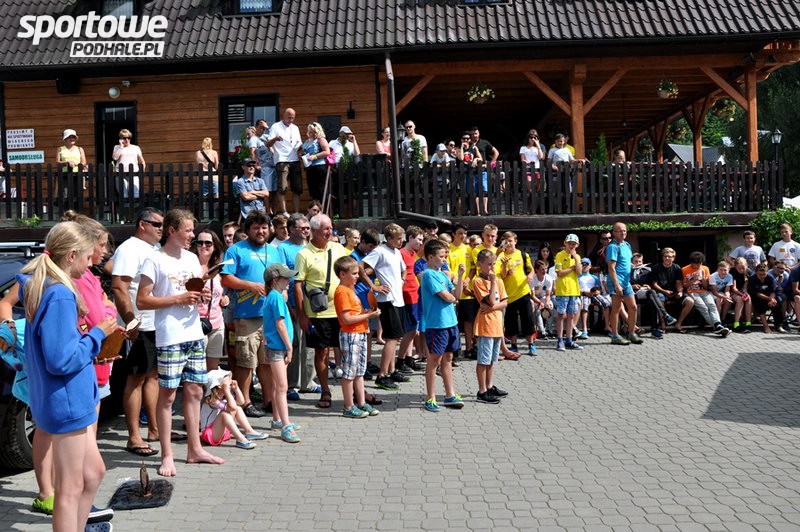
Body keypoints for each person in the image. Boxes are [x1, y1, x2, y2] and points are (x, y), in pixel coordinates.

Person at [18, 222, 118, 531]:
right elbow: (61, 360)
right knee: (70, 488)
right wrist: (97, 335)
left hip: (65, 398)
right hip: (67, 400)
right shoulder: (59, 293)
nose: (90, 264)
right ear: (72, 255)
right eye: (87, 257)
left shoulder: (43, 285)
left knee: (93, 473)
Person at [136, 208, 225, 477]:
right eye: (188, 230)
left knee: (195, 391)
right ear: (172, 230)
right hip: (170, 336)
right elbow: (142, 300)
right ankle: (167, 455)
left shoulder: (191, 258)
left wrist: (201, 293)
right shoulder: (154, 259)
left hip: (194, 333)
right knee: (168, 396)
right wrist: (178, 299)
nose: (192, 235)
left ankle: (194, 449)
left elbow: (191, 291)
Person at [111, 207, 163, 457]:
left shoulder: (154, 248)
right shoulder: (129, 248)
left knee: (152, 376)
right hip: (139, 324)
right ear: (143, 224)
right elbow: (119, 287)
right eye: (157, 224)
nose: (161, 229)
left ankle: (154, 429)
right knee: (136, 378)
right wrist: (130, 320)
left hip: (155, 323)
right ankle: (134, 436)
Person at [221, 211, 281, 417]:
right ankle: (244, 402)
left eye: (264, 227)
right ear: (248, 230)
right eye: (256, 228)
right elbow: (226, 278)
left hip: (270, 315)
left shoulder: (274, 251)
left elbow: (282, 277)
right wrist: (251, 285)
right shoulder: (235, 250)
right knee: (246, 362)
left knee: (266, 361)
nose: (261, 231)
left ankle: (268, 400)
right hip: (246, 315)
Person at [295, 214, 350, 409]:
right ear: (314, 231)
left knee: (348, 350)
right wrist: (302, 314)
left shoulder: (338, 248)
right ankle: (325, 389)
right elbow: (298, 285)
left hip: (341, 310)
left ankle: (355, 389)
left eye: (330, 228)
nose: (330, 232)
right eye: (325, 229)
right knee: (322, 352)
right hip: (318, 313)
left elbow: (351, 271)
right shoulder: (304, 254)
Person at [360, 223, 408, 391]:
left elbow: (404, 269)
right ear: (388, 238)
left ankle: (392, 370)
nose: (401, 241)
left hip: (398, 299)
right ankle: (382, 376)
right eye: (398, 239)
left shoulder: (396, 252)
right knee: (391, 338)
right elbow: (361, 267)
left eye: (402, 238)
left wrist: (402, 280)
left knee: (396, 337)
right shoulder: (379, 251)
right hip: (387, 300)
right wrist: (374, 286)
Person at [333, 256, 381, 418]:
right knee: (349, 372)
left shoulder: (350, 289)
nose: (357, 276)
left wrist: (366, 313)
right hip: (350, 334)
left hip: (360, 333)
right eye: (354, 273)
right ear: (342, 274)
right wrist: (369, 315)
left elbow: (354, 314)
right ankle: (348, 406)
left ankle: (361, 403)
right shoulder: (341, 292)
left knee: (359, 371)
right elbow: (346, 319)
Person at [420, 239, 465, 412]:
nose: (444, 259)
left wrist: (460, 276)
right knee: (434, 360)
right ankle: (430, 397)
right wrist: (453, 298)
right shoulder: (428, 274)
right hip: (437, 324)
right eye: (441, 256)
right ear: (430, 257)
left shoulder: (443, 275)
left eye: (445, 256)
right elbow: (447, 297)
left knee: (448, 358)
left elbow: (457, 295)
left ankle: (450, 394)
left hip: (451, 322)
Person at [278, 214, 317, 398]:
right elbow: (282, 277)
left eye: (308, 228)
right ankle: (292, 384)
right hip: (292, 302)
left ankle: (308, 382)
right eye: (303, 228)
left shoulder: (311, 246)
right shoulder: (283, 248)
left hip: (313, 302)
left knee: (310, 343)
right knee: (294, 342)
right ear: (292, 229)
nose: (306, 231)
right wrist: (290, 306)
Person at [261, 263, 300, 442]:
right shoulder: (276, 297)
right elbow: (280, 324)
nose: (289, 280)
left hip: (275, 346)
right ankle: (286, 426)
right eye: (285, 277)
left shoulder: (273, 296)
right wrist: (289, 347)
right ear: (275, 280)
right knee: (282, 387)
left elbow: (268, 324)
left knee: (278, 386)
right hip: (278, 347)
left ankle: (278, 420)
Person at [471, 247, 511, 405]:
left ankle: (489, 386)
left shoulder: (499, 280)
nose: (492, 267)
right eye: (489, 264)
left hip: (496, 324)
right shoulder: (478, 281)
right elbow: (491, 300)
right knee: (483, 360)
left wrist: (492, 307)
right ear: (480, 264)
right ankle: (482, 391)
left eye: (494, 264)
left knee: (492, 359)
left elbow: (505, 302)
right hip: (485, 325)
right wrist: (493, 282)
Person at [190, 230, 228, 370]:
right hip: (196, 323)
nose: (203, 246)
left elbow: (221, 292)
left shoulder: (218, 268)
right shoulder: (190, 265)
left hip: (217, 323)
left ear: (215, 246)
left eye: (208, 243)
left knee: (212, 370)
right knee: (196, 369)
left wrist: (224, 298)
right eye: (199, 242)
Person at [200, 369, 266, 450]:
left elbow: (241, 402)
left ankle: (249, 431)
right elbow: (232, 407)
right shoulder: (212, 400)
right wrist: (227, 391)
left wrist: (236, 389)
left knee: (238, 408)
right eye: (228, 380)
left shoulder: (223, 397)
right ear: (220, 385)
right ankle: (240, 439)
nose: (231, 381)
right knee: (224, 414)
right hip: (210, 434)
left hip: (220, 432)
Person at [497, 232, 537, 355]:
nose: (508, 243)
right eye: (506, 241)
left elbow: (531, 270)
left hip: (523, 292)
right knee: (511, 321)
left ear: (515, 241)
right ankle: (513, 345)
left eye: (510, 240)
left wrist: (530, 276)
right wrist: (505, 268)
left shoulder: (523, 255)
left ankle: (531, 344)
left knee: (528, 319)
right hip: (508, 294)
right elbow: (502, 275)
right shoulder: (500, 256)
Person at [606, 222, 642, 345]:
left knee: (633, 307)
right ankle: (615, 336)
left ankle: (631, 333)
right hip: (616, 281)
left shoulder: (627, 245)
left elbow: (626, 262)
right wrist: (617, 285)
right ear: (614, 233)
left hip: (626, 282)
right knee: (616, 308)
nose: (623, 233)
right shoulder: (612, 247)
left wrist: (635, 266)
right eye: (620, 231)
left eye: (625, 230)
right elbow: (611, 267)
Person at [681, 251, 731, 337]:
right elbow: (684, 286)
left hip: (704, 291)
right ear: (691, 263)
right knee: (703, 307)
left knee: (712, 305)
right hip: (692, 292)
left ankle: (718, 325)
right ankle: (717, 326)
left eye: (700, 264)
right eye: (696, 264)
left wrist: (703, 279)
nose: (698, 266)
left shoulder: (705, 269)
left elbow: (707, 286)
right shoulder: (684, 269)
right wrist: (693, 280)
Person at [397, 226, 424, 374]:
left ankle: (408, 358)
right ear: (410, 238)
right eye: (418, 239)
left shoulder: (414, 254)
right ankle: (400, 360)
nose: (421, 242)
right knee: (411, 330)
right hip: (407, 296)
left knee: (414, 330)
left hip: (415, 295)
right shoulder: (401, 253)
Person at [447, 224, 476, 359]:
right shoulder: (448, 249)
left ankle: (469, 348)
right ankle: (455, 349)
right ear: (453, 234)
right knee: (454, 323)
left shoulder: (469, 249)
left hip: (468, 292)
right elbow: (446, 269)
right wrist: (456, 281)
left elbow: (473, 268)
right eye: (459, 233)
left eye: (465, 233)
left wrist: (467, 279)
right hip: (453, 291)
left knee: (469, 322)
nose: (463, 235)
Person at [266, 108, 303, 214]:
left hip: (295, 159)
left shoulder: (295, 128)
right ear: (283, 116)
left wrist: (300, 150)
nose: (290, 120)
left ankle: (296, 212)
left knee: (297, 188)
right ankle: (285, 212)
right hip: (282, 160)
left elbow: (299, 142)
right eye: (289, 117)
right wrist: (275, 139)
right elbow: (268, 144)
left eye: (292, 118)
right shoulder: (276, 126)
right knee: (282, 187)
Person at [650, 247, 691, 333]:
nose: (667, 258)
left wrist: (680, 292)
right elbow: (654, 284)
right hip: (661, 291)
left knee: (690, 301)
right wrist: (665, 291)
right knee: (660, 299)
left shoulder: (677, 268)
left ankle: (678, 324)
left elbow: (679, 282)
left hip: (674, 292)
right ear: (662, 257)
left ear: (673, 258)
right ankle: (663, 325)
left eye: (669, 256)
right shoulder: (656, 267)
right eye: (665, 256)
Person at [554, 233, 584, 351]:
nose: (571, 246)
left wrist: (575, 258)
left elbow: (579, 272)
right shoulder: (559, 255)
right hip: (563, 290)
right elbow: (559, 273)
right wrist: (572, 268)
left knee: (571, 315)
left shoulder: (578, 257)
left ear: (577, 245)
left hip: (574, 290)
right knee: (561, 315)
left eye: (574, 244)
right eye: (569, 243)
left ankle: (569, 340)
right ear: (565, 243)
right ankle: (560, 340)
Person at [749, 263, 785, 333]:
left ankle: (779, 325)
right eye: (760, 274)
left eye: (764, 274)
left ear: (767, 272)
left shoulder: (770, 278)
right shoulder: (752, 279)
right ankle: (766, 326)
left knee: (776, 304)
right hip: (756, 297)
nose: (762, 276)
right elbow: (757, 293)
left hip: (769, 296)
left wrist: (771, 300)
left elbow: (773, 291)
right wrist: (769, 299)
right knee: (760, 304)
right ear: (756, 272)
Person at [301, 122, 331, 203]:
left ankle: (322, 208)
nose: (309, 132)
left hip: (319, 167)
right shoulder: (307, 141)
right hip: (309, 167)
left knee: (320, 189)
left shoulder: (320, 139)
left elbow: (327, 152)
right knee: (312, 190)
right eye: (309, 130)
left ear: (316, 131)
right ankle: (316, 208)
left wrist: (315, 156)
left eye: (311, 131)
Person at [112, 128, 145, 198]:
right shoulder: (117, 147)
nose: (127, 140)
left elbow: (142, 161)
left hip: (134, 174)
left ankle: (135, 206)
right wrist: (121, 147)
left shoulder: (136, 148)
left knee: (136, 194)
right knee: (123, 196)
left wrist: (142, 169)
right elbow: (115, 158)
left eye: (128, 138)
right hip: (120, 174)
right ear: (121, 139)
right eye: (124, 138)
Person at [250, 119, 276, 202]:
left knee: (275, 191)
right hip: (265, 167)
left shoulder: (266, 137)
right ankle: (267, 209)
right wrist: (255, 165)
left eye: (264, 128)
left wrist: (268, 128)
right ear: (256, 127)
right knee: (267, 191)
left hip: (274, 165)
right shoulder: (254, 139)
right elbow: (253, 152)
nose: (263, 130)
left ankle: (274, 210)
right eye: (261, 128)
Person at [56, 128, 87, 193]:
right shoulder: (60, 149)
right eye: (70, 137)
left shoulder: (80, 149)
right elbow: (57, 162)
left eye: (73, 137)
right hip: (65, 175)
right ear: (65, 139)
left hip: (78, 175)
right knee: (66, 194)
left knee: (78, 194)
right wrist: (67, 162)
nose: (72, 139)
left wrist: (75, 164)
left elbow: (84, 162)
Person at [530, 259, 554, 338]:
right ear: (536, 270)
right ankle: (541, 331)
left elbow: (548, 294)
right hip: (534, 298)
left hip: (543, 297)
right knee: (537, 310)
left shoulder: (549, 278)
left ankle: (549, 329)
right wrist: (540, 303)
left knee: (550, 305)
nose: (544, 271)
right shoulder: (532, 279)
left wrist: (547, 302)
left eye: (545, 269)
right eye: (542, 269)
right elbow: (532, 295)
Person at [730, 257, 753, 332]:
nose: (741, 270)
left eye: (743, 268)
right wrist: (741, 294)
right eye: (739, 268)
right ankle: (736, 323)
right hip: (733, 291)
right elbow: (734, 288)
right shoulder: (732, 271)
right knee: (740, 300)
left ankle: (748, 323)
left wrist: (745, 293)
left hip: (742, 291)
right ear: (735, 266)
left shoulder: (748, 271)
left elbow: (745, 286)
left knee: (748, 298)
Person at [520, 129, 545, 194]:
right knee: (529, 186)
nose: (533, 139)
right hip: (528, 169)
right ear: (528, 138)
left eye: (535, 137)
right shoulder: (523, 148)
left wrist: (538, 145)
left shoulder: (537, 148)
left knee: (537, 187)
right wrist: (527, 162)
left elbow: (541, 157)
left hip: (537, 169)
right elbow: (522, 159)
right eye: (531, 137)